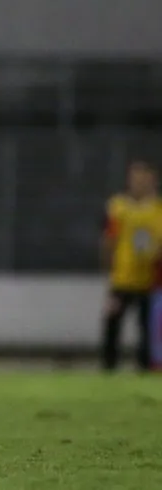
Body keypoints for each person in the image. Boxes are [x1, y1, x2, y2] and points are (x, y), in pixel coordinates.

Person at [100, 159, 162, 372]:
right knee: (112, 322)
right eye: (135, 178)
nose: (139, 183)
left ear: (152, 180)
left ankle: (145, 367)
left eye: (143, 178)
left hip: (149, 281)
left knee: (146, 327)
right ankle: (109, 366)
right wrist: (108, 270)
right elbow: (109, 239)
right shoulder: (118, 207)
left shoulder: (158, 209)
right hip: (122, 278)